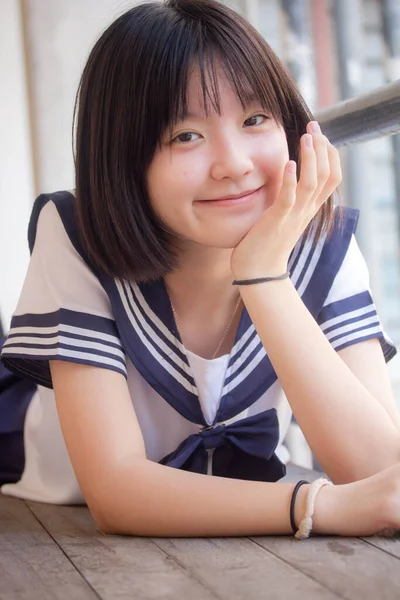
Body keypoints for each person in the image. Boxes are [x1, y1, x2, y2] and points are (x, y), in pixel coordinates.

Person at [1, 0, 400, 539]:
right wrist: (316, 507)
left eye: (255, 119)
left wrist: (263, 275)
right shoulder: (76, 232)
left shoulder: (320, 239)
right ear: (123, 158)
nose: (233, 163)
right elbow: (116, 491)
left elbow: (382, 476)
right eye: (185, 135)